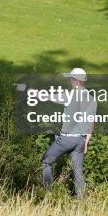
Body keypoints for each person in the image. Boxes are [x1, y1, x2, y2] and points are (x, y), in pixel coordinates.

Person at [41, 67, 96, 199]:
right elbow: (91, 123)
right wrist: (86, 142)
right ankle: (80, 201)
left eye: (71, 79)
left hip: (66, 139)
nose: (70, 81)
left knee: (46, 161)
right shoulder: (91, 99)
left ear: (76, 81)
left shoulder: (70, 95)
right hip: (81, 140)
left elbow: (47, 97)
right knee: (77, 172)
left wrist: (28, 90)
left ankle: (46, 193)